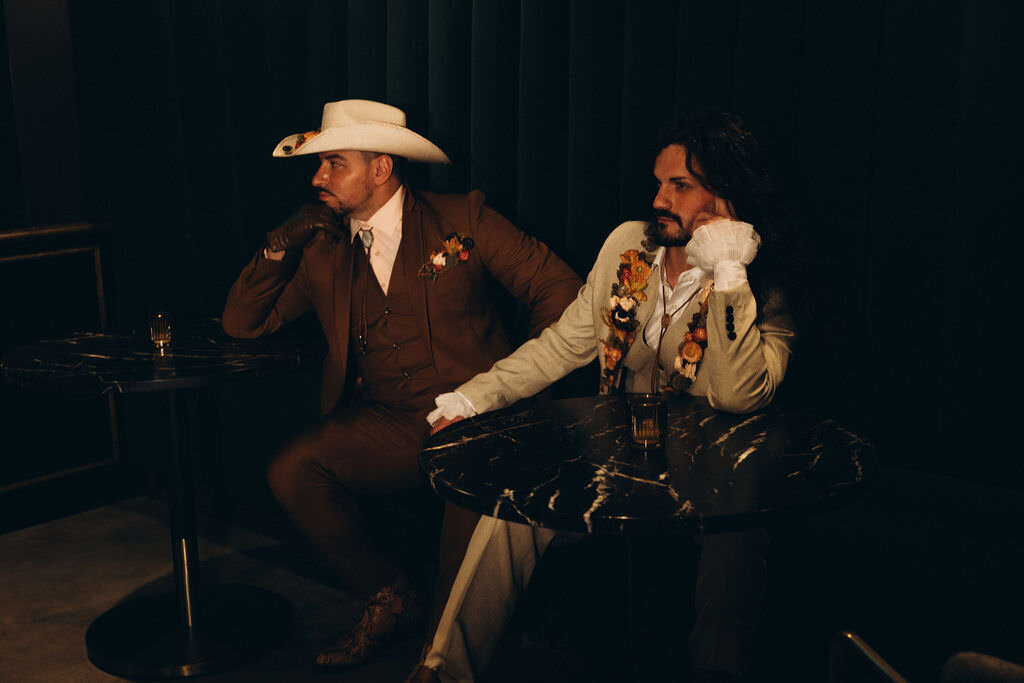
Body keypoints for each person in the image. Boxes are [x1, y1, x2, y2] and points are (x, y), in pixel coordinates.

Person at [409, 110, 798, 683]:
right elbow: (565, 343)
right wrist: (471, 399)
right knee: (513, 506)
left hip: (716, 476)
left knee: (738, 544)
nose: (659, 198)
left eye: (680, 186)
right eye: (659, 182)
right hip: (617, 460)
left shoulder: (763, 282)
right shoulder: (626, 246)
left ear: (728, 196)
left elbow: (739, 394)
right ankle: (442, 671)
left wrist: (729, 268)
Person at [221, 99, 581, 670]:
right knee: (292, 469)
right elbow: (245, 322)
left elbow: (560, 290)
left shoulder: (464, 217)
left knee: (459, 556)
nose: (318, 177)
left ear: (381, 168)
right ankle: (389, 598)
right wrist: (277, 244)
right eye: (318, 165)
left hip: (480, 420)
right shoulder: (321, 247)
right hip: (390, 420)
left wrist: (514, 390)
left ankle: (438, 664)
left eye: (334, 163)